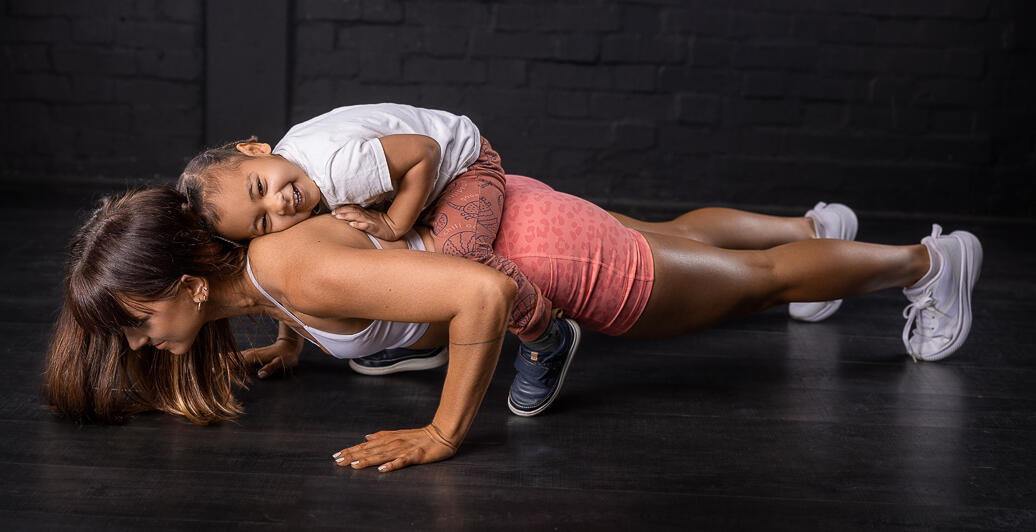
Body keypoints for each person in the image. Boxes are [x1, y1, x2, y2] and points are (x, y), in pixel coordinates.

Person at [45, 176, 982, 473]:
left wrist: (442, 433)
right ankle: (816, 232)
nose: (139, 341)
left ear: (188, 284)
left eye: (137, 321)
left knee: (754, 287)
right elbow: (331, 283)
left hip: (542, 265)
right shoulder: (263, 271)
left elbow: (481, 300)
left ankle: (930, 264)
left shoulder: (288, 265)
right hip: (525, 219)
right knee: (682, 240)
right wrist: (290, 343)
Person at [177, 103, 568, 378]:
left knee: (462, 252)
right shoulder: (289, 172)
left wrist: (394, 223)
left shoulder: (339, 170)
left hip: (463, 166)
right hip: (419, 179)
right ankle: (424, 343)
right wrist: (289, 343)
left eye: (260, 188)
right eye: (263, 221)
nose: (278, 204)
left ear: (254, 150)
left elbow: (426, 151)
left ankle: (545, 335)